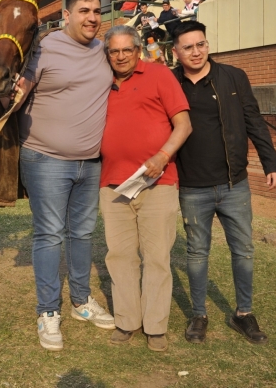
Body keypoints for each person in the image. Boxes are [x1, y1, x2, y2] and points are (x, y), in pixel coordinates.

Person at [11, 0, 115, 351]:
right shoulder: (41, 49)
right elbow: (15, 92)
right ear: (66, 15)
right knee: (50, 234)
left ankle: (82, 302)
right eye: (84, 10)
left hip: (90, 162)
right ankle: (48, 311)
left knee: (84, 233)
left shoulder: (103, 51)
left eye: (97, 11)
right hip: (45, 159)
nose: (92, 17)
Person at [170, 21, 276, 347]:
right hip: (193, 186)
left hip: (234, 184)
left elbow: (254, 121)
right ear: (176, 52)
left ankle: (244, 314)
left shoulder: (233, 77)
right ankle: (199, 314)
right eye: (188, 47)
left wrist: (271, 162)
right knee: (196, 253)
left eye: (201, 44)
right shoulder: (170, 82)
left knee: (243, 251)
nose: (196, 51)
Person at [99, 24, 191, 352]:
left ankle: (155, 326)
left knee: (156, 257)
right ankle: (127, 321)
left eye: (127, 50)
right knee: (120, 256)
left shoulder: (159, 75)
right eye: (114, 51)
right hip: (112, 186)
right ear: (107, 53)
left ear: (138, 50)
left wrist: (163, 155)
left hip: (158, 183)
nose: (121, 56)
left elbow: (184, 124)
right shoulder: (101, 82)